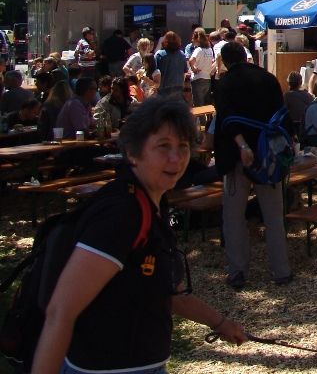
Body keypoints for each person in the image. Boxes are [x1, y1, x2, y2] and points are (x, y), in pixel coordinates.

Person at [30, 97, 247, 374]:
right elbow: (60, 312)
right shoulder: (121, 213)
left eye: (182, 146)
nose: (176, 158)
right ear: (133, 152)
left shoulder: (151, 202)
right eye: (163, 146)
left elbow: (167, 292)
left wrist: (220, 323)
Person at [214, 41, 292, 289]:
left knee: (234, 217)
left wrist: (242, 146)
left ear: (226, 61)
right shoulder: (267, 79)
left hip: (236, 155)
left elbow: (227, 119)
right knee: (273, 216)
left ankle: (238, 270)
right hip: (268, 155)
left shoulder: (225, 84)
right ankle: (281, 269)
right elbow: (282, 115)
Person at [154, 31, 188, 98]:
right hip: (178, 88)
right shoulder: (182, 54)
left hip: (163, 89)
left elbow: (155, 73)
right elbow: (184, 73)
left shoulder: (159, 54)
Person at [187, 28, 216, 106]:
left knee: (198, 104)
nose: (192, 41)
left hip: (198, 78)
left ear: (196, 39)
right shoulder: (210, 50)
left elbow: (191, 60)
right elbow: (212, 62)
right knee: (206, 104)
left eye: (193, 38)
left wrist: (193, 69)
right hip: (207, 79)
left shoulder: (198, 50)